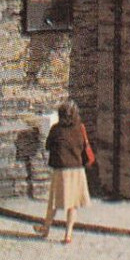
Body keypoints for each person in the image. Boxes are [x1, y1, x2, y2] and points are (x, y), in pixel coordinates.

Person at [36, 99, 92, 244]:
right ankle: (68, 235)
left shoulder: (56, 129)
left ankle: (45, 229)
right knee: (72, 205)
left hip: (61, 170)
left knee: (54, 203)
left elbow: (48, 146)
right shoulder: (80, 128)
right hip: (77, 170)